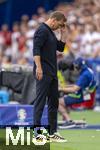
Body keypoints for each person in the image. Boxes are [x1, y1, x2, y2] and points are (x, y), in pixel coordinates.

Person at [33, 11, 67, 142]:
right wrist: (39, 68)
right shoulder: (42, 30)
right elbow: (36, 50)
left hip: (52, 73)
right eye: (59, 25)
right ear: (53, 20)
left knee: (54, 103)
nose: (59, 27)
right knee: (40, 103)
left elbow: (61, 48)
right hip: (43, 72)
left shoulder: (51, 32)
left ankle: (53, 133)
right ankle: (37, 133)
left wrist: (63, 33)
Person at [58, 57, 96, 129]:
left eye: (75, 66)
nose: (74, 68)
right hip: (86, 93)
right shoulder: (88, 70)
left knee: (57, 102)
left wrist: (60, 89)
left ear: (78, 66)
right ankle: (65, 119)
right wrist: (65, 86)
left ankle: (69, 121)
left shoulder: (84, 75)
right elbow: (77, 85)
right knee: (64, 99)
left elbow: (74, 89)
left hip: (81, 95)